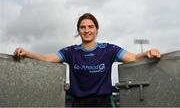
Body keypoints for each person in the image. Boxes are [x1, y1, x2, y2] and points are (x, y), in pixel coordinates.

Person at [14, 13, 160, 107]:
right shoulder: (70, 52)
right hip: (78, 103)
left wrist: (148, 52)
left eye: (90, 26)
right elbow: (47, 59)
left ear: (97, 29)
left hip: (103, 103)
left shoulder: (108, 49)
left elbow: (133, 57)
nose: (87, 30)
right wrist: (28, 53)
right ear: (78, 31)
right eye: (82, 27)